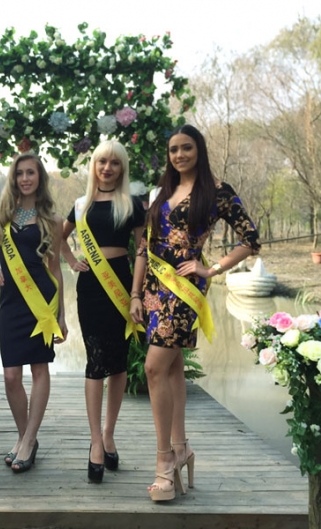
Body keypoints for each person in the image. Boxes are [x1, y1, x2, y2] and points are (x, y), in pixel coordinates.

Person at [130, 124, 261, 501]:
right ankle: (181, 447)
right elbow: (144, 246)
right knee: (170, 367)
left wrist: (212, 268)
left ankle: (164, 462)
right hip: (153, 289)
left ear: (199, 150)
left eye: (186, 148)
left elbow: (250, 239)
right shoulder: (161, 191)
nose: (179, 155)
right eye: (173, 149)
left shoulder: (218, 192)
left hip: (184, 289)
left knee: (153, 368)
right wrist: (135, 293)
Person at [60, 140, 146, 484]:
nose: (107, 168)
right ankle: (95, 441)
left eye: (114, 163)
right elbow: (59, 237)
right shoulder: (81, 205)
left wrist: (136, 294)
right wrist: (71, 260)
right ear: (93, 166)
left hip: (122, 285)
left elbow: (141, 251)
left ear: (122, 168)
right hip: (91, 288)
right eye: (101, 162)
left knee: (119, 362)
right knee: (95, 361)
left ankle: (109, 433)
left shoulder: (133, 204)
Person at [0, 152, 68, 474]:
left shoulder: (52, 219)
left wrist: (61, 316)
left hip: (41, 303)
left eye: (30, 173)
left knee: (39, 368)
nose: (25, 178)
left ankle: (28, 439)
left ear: (40, 177)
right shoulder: (2, 213)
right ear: (13, 177)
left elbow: (56, 270)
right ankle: (25, 437)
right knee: (11, 376)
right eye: (19, 173)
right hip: (10, 302)